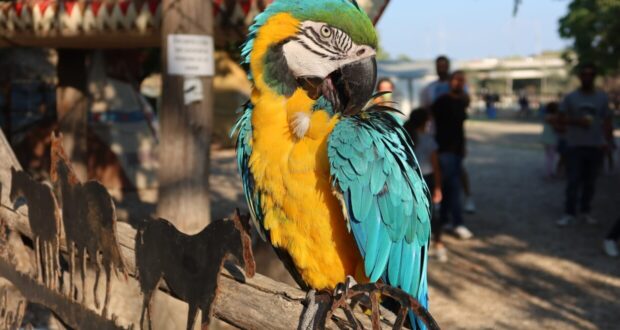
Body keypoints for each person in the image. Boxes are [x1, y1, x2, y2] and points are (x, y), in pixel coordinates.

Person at [556, 63, 613, 226]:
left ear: (594, 76)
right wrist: (576, 121)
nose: (587, 77)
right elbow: (559, 120)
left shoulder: (602, 98)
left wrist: (607, 142)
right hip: (574, 145)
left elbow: (607, 121)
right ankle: (569, 212)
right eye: (584, 74)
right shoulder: (570, 98)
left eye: (591, 74)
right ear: (580, 77)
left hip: (595, 145)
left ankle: (585, 211)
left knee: (590, 182)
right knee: (573, 180)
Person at [422, 55, 477, 213]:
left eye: (444, 65)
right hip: (436, 133)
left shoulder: (458, 89)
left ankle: (466, 197)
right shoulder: (430, 89)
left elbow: (465, 103)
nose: (442, 68)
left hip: (453, 135)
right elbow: (427, 109)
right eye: (439, 65)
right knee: (438, 168)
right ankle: (441, 200)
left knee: (457, 168)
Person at [432, 71, 473, 239]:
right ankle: (457, 222)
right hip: (444, 148)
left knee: (451, 186)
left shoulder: (462, 101)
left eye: (461, 80)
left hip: (456, 149)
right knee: (453, 187)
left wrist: (463, 146)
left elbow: (460, 128)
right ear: (450, 82)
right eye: (456, 80)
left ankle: (445, 220)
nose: (458, 83)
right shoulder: (442, 101)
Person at [404, 108, 446, 261]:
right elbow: (436, 167)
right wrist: (438, 187)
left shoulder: (405, 136)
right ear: (425, 121)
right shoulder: (428, 139)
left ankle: (418, 248)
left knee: (412, 215)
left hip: (408, 180)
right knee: (432, 214)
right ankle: (439, 245)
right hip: (426, 180)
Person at [541, 102, 560, 178]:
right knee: (551, 157)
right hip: (552, 139)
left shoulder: (547, 116)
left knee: (548, 156)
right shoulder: (554, 117)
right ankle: (549, 173)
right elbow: (556, 128)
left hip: (546, 139)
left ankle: (549, 172)